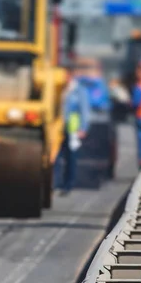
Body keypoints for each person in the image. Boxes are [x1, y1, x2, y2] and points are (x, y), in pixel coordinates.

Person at [53, 63, 91, 195]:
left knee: (71, 158)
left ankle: (68, 185)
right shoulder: (57, 88)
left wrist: (83, 128)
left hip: (72, 129)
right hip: (57, 128)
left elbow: (85, 111)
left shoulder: (79, 91)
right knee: (55, 156)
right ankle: (55, 184)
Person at [77, 57, 117, 179]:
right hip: (97, 121)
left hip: (93, 122)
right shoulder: (93, 84)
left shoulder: (82, 84)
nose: (87, 72)